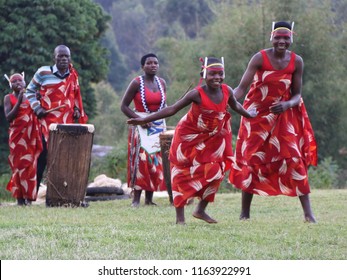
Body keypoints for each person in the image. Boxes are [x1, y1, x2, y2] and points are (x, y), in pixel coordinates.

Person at [128, 57, 257, 224]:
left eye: (220, 74)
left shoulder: (227, 91)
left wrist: (249, 114)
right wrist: (141, 119)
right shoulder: (196, 93)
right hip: (188, 137)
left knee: (217, 172)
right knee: (182, 174)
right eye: (212, 74)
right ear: (204, 74)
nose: (217, 77)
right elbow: (172, 109)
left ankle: (200, 210)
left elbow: (236, 106)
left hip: (212, 138)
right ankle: (180, 219)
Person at [229, 21, 318, 223]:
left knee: (294, 158)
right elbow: (241, 89)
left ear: (291, 39)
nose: (282, 41)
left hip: (282, 116)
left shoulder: (297, 61)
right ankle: (245, 214)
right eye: (278, 37)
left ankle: (308, 214)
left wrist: (287, 105)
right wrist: (227, 98)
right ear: (271, 37)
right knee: (252, 160)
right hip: (255, 115)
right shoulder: (259, 58)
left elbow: (297, 95)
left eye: (286, 38)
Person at [24, 45, 88, 191]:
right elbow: (29, 91)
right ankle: (30, 196)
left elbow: (75, 95)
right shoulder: (43, 72)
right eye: (60, 56)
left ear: (70, 58)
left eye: (66, 56)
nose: (64, 59)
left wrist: (77, 110)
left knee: (64, 159)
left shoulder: (73, 75)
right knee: (41, 159)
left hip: (67, 125)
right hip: (46, 123)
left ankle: (61, 194)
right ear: (54, 57)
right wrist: (37, 107)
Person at [120, 53, 168, 207]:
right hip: (140, 125)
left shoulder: (162, 83)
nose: (153, 65)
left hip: (158, 125)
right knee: (141, 160)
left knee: (155, 160)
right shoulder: (136, 83)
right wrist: (139, 120)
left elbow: (164, 106)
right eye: (149, 63)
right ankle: (136, 199)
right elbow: (124, 106)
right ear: (142, 66)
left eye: (155, 63)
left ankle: (149, 199)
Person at [3, 72, 43, 205]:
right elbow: (9, 117)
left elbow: (37, 115)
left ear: (25, 83)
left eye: (20, 80)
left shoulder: (30, 98)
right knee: (18, 166)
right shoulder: (8, 98)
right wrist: (19, 100)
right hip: (17, 138)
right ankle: (20, 199)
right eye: (14, 81)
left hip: (30, 138)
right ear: (11, 85)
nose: (18, 83)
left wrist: (39, 100)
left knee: (30, 166)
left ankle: (29, 198)